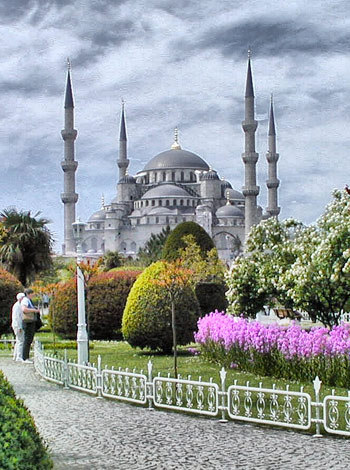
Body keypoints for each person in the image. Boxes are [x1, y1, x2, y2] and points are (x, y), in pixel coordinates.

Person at [21, 288, 40, 363]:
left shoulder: (28, 300)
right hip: (28, 322)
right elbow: (24, 309)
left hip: (31, 321)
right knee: (27, 339)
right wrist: (34, 310)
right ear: (29, 294)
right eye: (32, 293)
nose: (33, 295)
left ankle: (26, 356)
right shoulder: (25, 300)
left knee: (29, 339)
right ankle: (25, 357)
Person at [11, 293, 25, 362]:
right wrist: (19, 327)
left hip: (16, 325)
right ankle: (19, 356)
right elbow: (17, 317)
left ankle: (15, 355)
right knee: (20, 341)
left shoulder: (17, 305)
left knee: (18, 341)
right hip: (17, 325)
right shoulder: (17, 306)